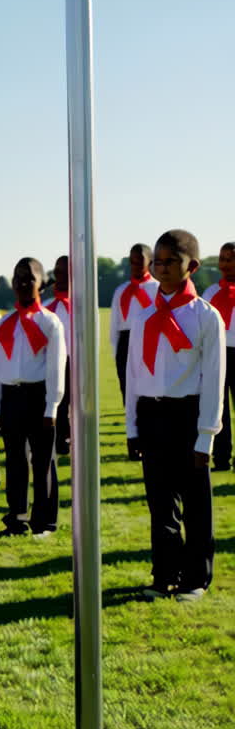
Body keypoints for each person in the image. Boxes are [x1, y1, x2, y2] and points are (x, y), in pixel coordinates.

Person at [126, 229, 225, 601]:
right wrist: (132, 428)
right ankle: (163, 572)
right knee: (160, 502)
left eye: (171, 261)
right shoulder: (143, 315)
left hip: (187, 415)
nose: (162, 268)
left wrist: (206, 436)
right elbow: (134, 375)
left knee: (196, 503)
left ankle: (196, 578)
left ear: (192, 266)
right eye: (158, 262)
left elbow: (215, 379)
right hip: (151, 416)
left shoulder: (205, 316)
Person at [0, 258, 66, 535]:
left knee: (43, 461)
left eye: (29, 278)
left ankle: (44, 521)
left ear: (41, 283)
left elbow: (56, 366)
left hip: (39, 396)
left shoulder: (49, 322)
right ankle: (16, 517)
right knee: (14, 460)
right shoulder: (5, 323)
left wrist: (52, 407)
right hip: (11, 396)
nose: (23, 283)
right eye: (18, 278)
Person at [109, 244, 157, 416]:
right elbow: (114, 326)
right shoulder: (121, 291)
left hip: (149, 342)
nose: (135, 265)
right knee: (127, 388)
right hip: (125, 343)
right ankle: (131, 423)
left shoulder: (157, 288)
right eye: (132, 261)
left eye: (140, 261)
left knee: (148, 388)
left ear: (150, 262)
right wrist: (117, 352)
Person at [202, 241, 235, 471]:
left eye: (230, 258)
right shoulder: (211, 292)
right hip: (219, 355)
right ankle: (221, 459)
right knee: (219, 407)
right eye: (222, 259)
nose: (225, 264)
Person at [42, 254, 71, 455]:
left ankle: (72, 437)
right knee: (57, 402)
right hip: (54, 361)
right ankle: (59, 440)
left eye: (65, 272)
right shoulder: (48, 306)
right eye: (57, 272)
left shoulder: (81, 305)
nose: (60, 276)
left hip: (76, 361)